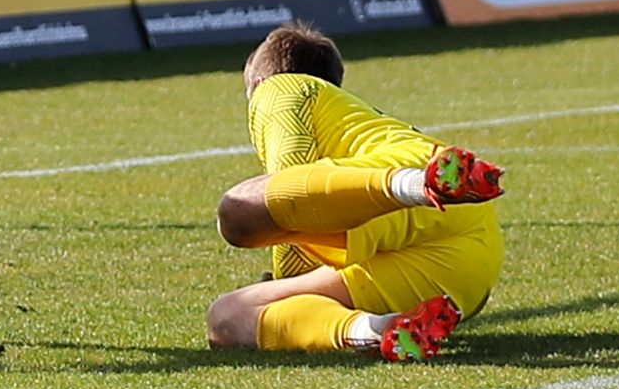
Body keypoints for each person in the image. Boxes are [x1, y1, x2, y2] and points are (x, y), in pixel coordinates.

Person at [206, 22, 504, 361]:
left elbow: (290, 175)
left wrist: (287, 279)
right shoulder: (345, 120)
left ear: (258, 83)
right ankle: (378, 330)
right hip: (469, 265)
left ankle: (417, 184)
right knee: (227, 318)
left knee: (236, 215)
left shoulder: (279, 88)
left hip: (414, 181)